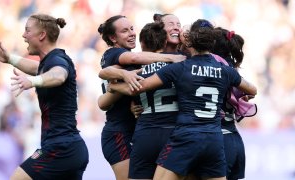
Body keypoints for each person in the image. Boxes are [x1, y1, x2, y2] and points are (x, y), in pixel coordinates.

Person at [109, 19, 257, 180]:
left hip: (186, 137)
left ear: (189, 42)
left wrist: (114, 87)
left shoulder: (180, 67)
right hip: (214, 140)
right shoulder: (225, 71)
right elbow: (252, 89)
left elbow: (140, 86)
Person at [0, 14, 88, 180]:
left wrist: (33, 81)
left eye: (27, 30)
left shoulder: (57, 61)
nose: (23, 35)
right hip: (70, 148)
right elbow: (37, 68)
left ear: (42, 35)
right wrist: (9, 58)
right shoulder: (50, 61)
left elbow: (58, 75)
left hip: (60, 149)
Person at [97, 15, 186, 180]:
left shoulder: (141, 62)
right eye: (125, 31)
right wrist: (173, 58)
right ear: (112, 38)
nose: (131, 34)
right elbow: (102, 101)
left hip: (139, 131)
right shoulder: (115, 54)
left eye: (132, 29)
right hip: (119, 132)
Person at [213, 27, 257, 180]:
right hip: (235, 140)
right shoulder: (232, 71)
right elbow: (252, 90)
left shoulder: (211, 69)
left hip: (218, 140)